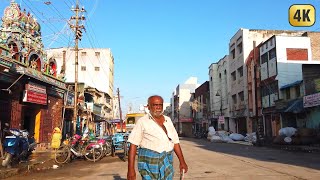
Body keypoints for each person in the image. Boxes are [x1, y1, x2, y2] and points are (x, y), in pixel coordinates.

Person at [127, 95, 188, 180]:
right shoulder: (142, 122)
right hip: (149, 163)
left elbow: (175, 142)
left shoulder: (168, 120)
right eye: (155, 105)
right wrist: (131, 169)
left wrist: (182, 162)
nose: (158, 107)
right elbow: (133, 145)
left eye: (160, 105)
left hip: (167, 160)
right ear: (148, 107)